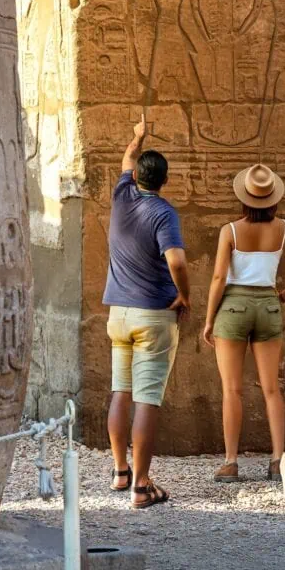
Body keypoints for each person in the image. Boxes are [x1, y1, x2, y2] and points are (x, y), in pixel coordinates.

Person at [201, 164, 285, 482]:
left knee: (232, 390)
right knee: (272, 389)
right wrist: (283, 296)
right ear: (273, 198)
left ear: (244, 198)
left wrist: (209, 320)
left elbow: (219, 278)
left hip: (233, 307)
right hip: (268, 305)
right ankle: (277, 462)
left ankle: (231, 463)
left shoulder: (230, 231)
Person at [103, 115, 190, 509]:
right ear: (164, 181)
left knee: (120, 392)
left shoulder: (122, 196)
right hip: (153, 313)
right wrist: (184, 295)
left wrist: (137, 137)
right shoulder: (164, 213)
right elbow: (177, 260)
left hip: (118, 313)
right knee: (147, 399)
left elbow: (126, 159)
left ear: (136, 176)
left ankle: (121, 472)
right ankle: (141, 486)